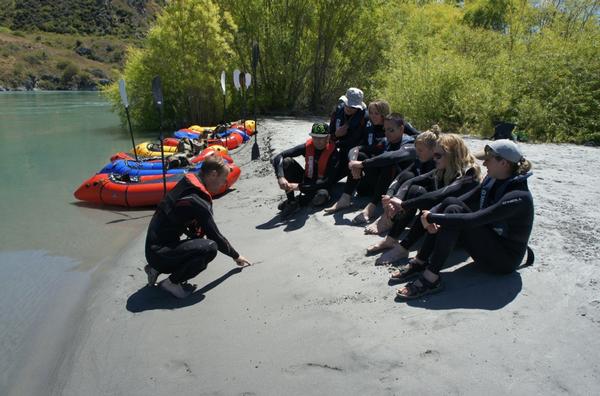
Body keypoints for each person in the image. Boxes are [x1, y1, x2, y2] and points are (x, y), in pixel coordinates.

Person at [394, 139, 534, 300]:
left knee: (453, 213)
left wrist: (432, 217)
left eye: (488, 160)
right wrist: (433, 213)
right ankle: (420, 261)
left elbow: (473, 220)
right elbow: (461, 199)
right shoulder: (492, 179)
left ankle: (431, 278)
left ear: (504, 163)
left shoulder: (518, 197)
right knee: (451, 204)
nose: (484, 164)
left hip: (503, 260)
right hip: (490, 242)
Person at [144, 156, 252, 299]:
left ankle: (155, 268)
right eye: (223, 179)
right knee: (209, 248)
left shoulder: (188, 182)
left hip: (154, 249)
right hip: (158, 253)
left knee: (198, 240)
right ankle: (171, 283)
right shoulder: (196, 200)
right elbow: (215, 237)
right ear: (213, 174)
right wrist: (236, 256)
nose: (224, 183)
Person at [368, 133, 482, 265]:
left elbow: (440, 195)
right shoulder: (444, 168)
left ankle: (403, 247)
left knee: (431, 202)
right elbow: (410, 182)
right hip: (439, 220)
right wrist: (394, 198)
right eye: (434, 154)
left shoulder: (469, 173)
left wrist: (403, 204)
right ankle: (392, 238)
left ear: (452, 155)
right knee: (416, 190)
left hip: (459, 233)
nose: (434, 159)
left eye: (438, 155)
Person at [325, 113, 416, 224]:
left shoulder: (410, 144)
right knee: (361, 155)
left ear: (401, 129)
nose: (387, 133)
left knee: (387, 163)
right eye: (385, 130)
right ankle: (346, 197)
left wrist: (362, 164)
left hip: (397, 188)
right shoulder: (385, 141)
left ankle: (371, 207)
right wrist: (354, 164)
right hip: (379, 185)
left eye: (391, 130)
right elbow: (356, 148)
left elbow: (392, 157)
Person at [364, 125, 440, 235]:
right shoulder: (420, 159)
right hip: (418, 198)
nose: (417, 153)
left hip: (434, 203)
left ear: (433, 150)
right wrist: (390, 194)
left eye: (420, 150)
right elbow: (402, 176)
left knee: (414, 189)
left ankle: (390, 219)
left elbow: (432, 190)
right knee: (408, 174)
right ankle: (387, 216)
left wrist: (399, 201)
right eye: (416, 150)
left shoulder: (437, 163)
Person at [271, 122, 340, 217]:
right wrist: (281, 177)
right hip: (306, 178)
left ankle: (299, 201)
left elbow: (328, 181)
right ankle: (291, 202)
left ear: (328, 138)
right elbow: (279, 156)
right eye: (315, 137)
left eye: (321, 138)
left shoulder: (334, 153)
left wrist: (300, 187)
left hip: (321, 185)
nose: (318, 141)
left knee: (320, 198)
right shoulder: (307, 147)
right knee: (286, 162)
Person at [328, 87, 368, 181]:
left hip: (356, 152)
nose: (349, 108)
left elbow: (366, 142)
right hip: (340, 149)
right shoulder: (337, 111)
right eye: (347, 104)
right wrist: (336, 135)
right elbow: (329, 137)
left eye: (353, 107)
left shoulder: (365, 117)